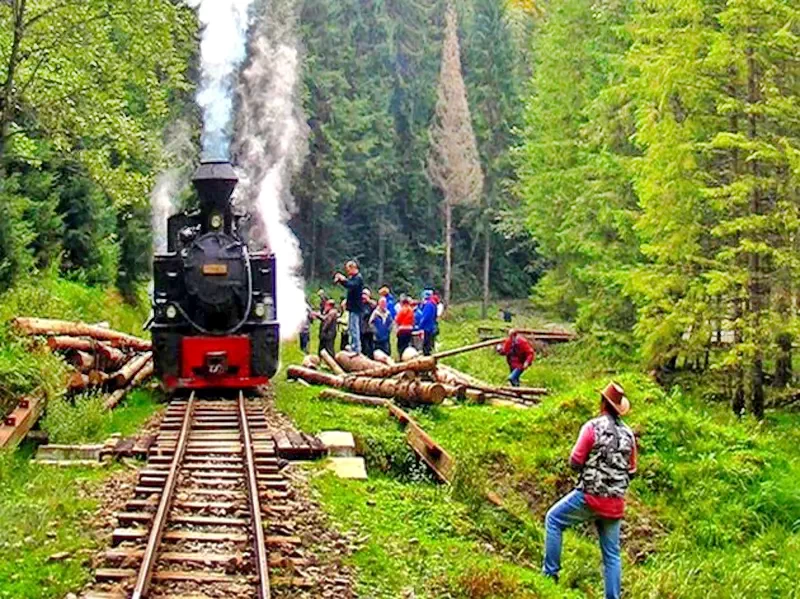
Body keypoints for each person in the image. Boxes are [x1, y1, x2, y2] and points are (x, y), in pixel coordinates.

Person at [543, 382, 637, 599]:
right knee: (612, 554)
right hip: (615, 502)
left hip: (589, 495)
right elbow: (632, 470)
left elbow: (575, 461)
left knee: (554, 520)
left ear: (603, 403)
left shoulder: (592, 427)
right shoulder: (629, 435)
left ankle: (550, 575)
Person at [334, 260, 364, 354]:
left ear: (352, 268)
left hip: (355, 307)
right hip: (352, 307)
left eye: (348, 269)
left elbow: (351, 285)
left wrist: (343, 279)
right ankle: (353, 345)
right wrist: (341, 281)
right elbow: (348, 285)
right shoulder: (353, 278)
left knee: (354, 328)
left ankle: (356, 348)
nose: (347, 272)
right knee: (351, 328)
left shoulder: (358, 278)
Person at [415, 290, 438, 356]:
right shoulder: (433, 304)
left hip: (427, 327)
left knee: (426, 345)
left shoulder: (429, 304)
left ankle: (427, 359)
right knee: (429, 343)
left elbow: (425, 316)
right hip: (431, 326)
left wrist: (420, 326)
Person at [360, 289, 376, 358]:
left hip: (369, 328)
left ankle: (371, 357)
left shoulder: (371, 304)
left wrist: (368, 300)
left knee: (370, 345)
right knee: (363, 344)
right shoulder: (360, 304)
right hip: (361, 328)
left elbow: (375, 305)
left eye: (365, 294)